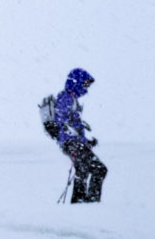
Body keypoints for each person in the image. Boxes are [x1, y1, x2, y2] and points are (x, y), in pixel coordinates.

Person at [40, 67, 106, 204]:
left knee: (83, 170)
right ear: (77, 82)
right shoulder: (66, 97)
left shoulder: (72, 98)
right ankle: (88, 203)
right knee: (98, 169)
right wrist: (72, 140)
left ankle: (80, 203)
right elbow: (61, 123)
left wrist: (87, 142)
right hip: (71, 144)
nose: (86, 88)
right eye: (85, 84)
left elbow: (71, 126)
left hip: (73, 143)